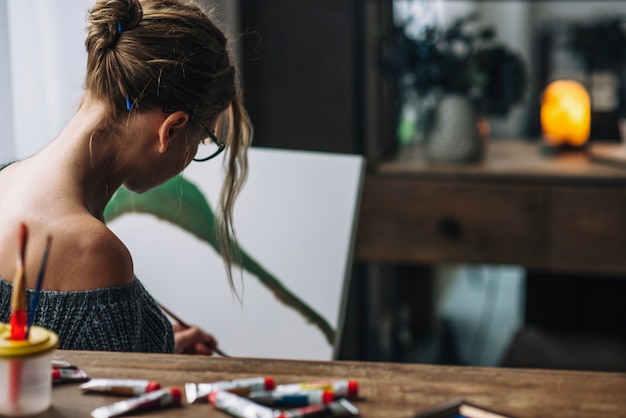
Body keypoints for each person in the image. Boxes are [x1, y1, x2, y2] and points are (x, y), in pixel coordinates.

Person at [0, 0, 251, 354]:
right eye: (204, 140)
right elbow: (119, 405)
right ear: (172, 128)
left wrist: (157, 352)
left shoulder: (4, 180)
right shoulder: (95, 253)